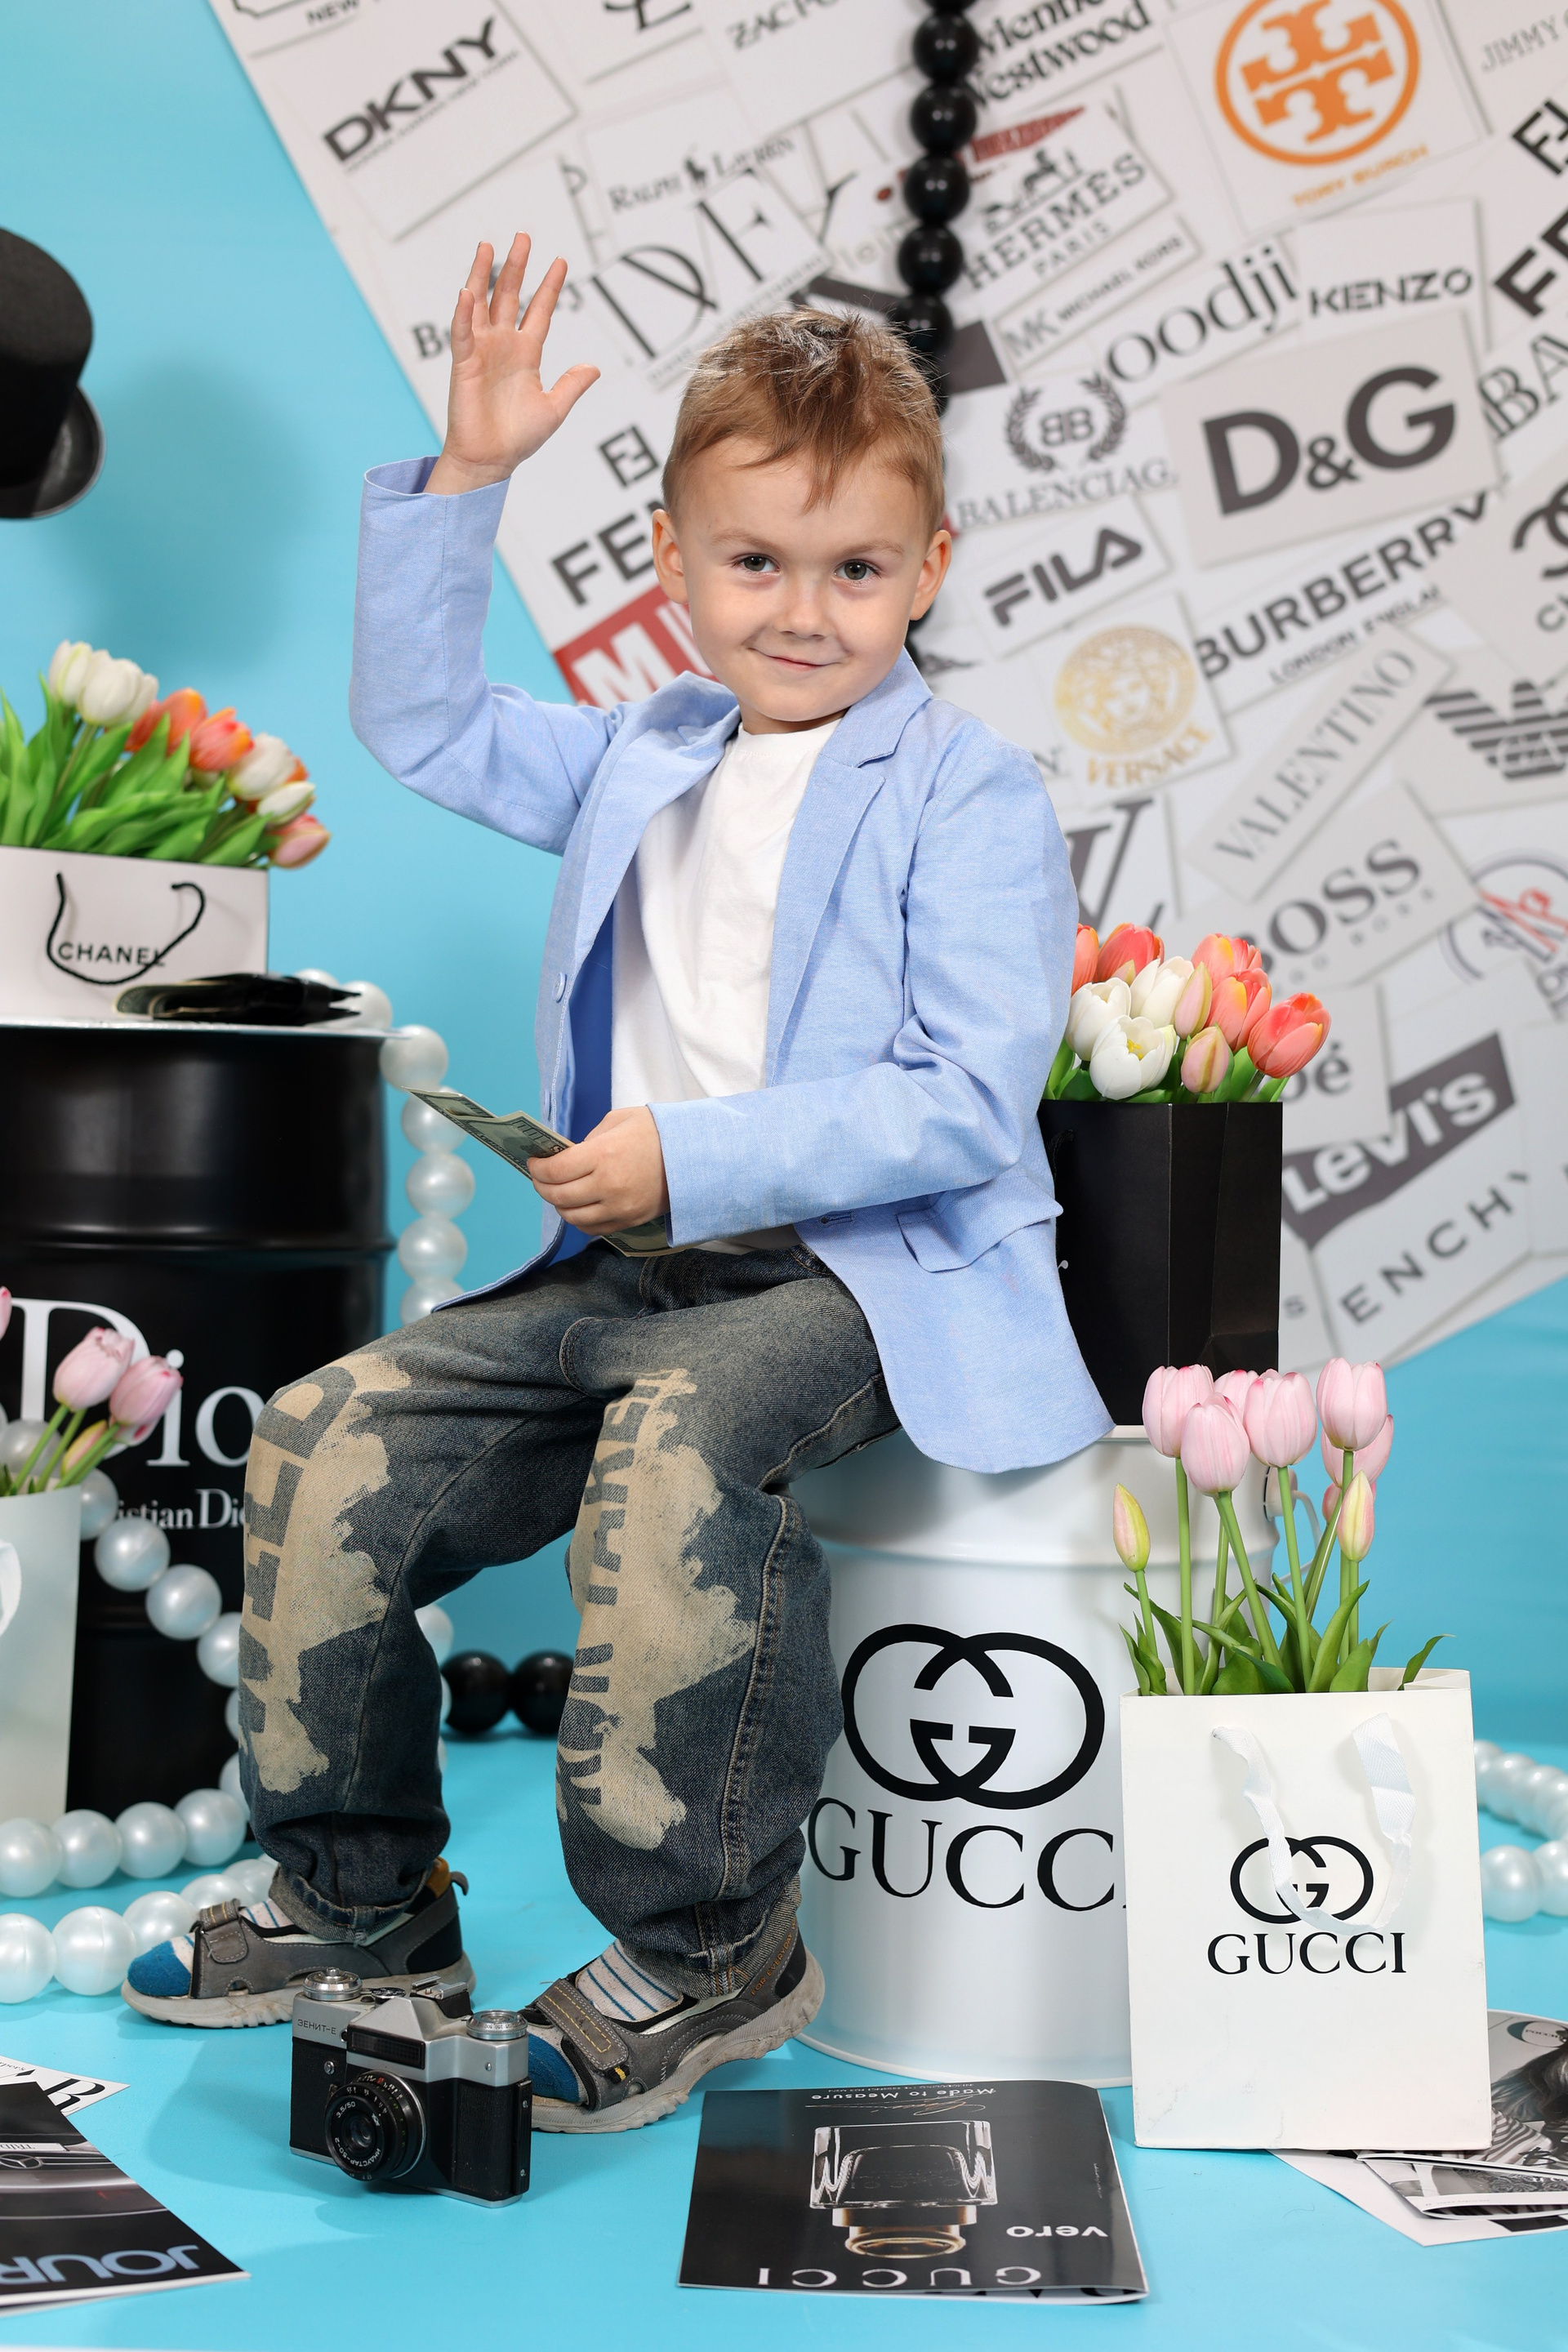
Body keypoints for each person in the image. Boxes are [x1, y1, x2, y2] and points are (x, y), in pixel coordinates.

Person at [122, 235, 1108, 2123]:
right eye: (755, 563)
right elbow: (424, 725)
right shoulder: (643, 753)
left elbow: (966, 1102)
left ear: (931, 568)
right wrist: (469, 479)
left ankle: (708, 1945)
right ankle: (360, 1904)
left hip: (844, 1281)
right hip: (620, 1274)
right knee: (326, 1434)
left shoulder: (967, 792)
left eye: (856, 569)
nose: (802, 612)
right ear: (670, 562)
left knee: (678, 1443)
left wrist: (690, 1154)